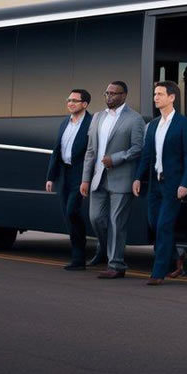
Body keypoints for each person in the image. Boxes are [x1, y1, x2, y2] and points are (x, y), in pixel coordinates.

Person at [133, 81, 187, 286]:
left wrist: (185, 183)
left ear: (172, 97)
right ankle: (177, 256)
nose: (155, 97)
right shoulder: (152, 125)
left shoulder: (184, 125)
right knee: (154, 223)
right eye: (155, 94)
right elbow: (146, 155)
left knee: (164, 226)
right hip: (154, 184)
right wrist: (137, 178)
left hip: (173, 185)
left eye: (160, 94)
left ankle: (158, 273)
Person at [80, 81, 145, 278]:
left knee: (117, 222)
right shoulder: (98, 117)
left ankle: (116, 265)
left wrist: (115, 159)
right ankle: (105, 248)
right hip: (98, 178)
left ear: (124, 96)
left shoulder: (135, 119)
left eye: (114, 94)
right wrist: (85, 179)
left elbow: (138, 148)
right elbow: (90, 150)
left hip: (121, 179)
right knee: (96, 218)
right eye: (107, 93)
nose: (109, 97)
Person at [45, 89, 92, 270]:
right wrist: (51, 177)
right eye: (69, 100)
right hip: (65, 174)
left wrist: (87, 178)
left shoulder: (91, 123)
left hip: (80, 175)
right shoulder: (65, 123)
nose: (70, 103)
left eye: (75, 100)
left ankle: (80, 256)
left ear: (85, 104)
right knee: (67, 214)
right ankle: (77, 257)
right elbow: (56, 151)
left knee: (73, 211)